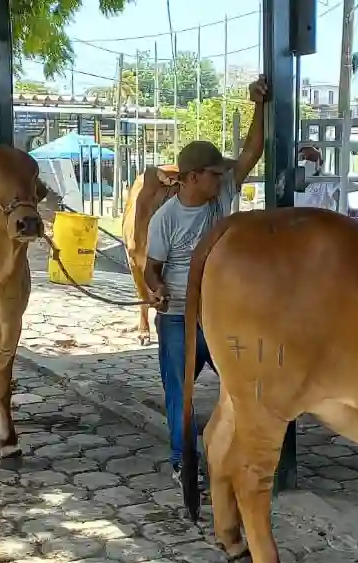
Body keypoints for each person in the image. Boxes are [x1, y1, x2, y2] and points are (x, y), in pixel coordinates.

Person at [145, 76, 269, 485]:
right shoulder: (166, 219)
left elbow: (253, 151)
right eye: (215, 174)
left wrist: (259, 105)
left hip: (223, 316)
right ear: (193, 177)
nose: (224, 178)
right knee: (180, 395)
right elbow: (151, 269)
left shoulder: (224, 193)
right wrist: (156, 290)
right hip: (180, 317)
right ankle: (184, 462)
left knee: (244, 386)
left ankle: (241, 454)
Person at [294, 145, 341, 211]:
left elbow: (340, 195)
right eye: (303, 158)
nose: (307, 162)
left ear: (320, 163)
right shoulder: (289, 179)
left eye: (312, 159)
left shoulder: (327, 183)